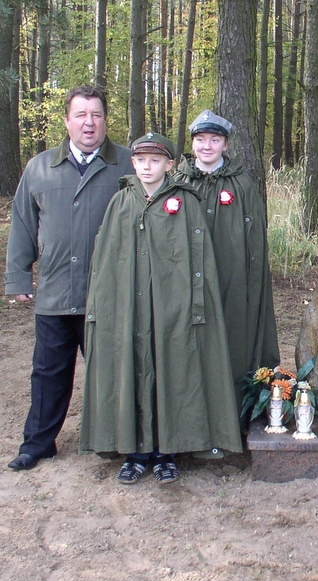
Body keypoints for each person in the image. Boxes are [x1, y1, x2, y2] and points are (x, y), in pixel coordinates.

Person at [79, 132, 243, 484]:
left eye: (155, 161)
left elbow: (200, 259)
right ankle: (136, 453)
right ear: (133, 163)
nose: (147, 167)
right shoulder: (121, 202)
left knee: (173, 370)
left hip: (173, 308)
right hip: (130, 307)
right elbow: (107, 259)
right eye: (141, 160)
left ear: (169, 165)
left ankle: (166, 453)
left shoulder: (186, 202)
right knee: (134, 369)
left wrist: (193, 304)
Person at [4, 86, 134, 471]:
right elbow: (23, 224)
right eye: (80, 115)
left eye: (96, 115)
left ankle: (121, 441)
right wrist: (18, 278)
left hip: (108, 294)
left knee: (113, 371)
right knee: (48, 372)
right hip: (56, 291)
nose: (88, 123)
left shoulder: (128, 165)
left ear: (105, 120)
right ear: (67, 121)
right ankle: (38, 443)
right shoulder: (40, 167)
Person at [175, 110, 280, 424]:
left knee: (232, 342)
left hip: (231, 281)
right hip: (188, 282)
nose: (207, 146)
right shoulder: (178, 181)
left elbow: (255, 241)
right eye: (201, 139)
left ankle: (233, 417)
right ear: (192, 143)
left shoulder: (241, 183)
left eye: (214, 140)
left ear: (225, 144)